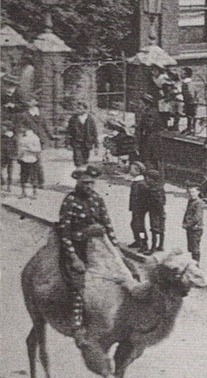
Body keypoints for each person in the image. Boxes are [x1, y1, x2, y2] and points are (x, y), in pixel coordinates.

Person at [57, 166, 122, 340]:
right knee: (79, 283)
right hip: (77, 247)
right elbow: (64, 231)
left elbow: (108, 225)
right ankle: (77, 324)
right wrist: (74, 257)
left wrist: (116, 249)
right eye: (85, 183)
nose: (89, 186)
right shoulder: (70, 201)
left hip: (98, 247)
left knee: (120, 274)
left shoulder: (97, 199)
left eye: (92, 183)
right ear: (78, 183)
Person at [66, 101, 99, 170]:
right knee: (77, 159)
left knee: (85, 159)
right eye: (77, 108)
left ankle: (84, 175)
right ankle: (78, 172)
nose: (78, 110)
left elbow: (94, 133)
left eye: (80, 108)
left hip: (87, 142)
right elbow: (68, 132)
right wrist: (68, 143)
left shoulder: (90, 119)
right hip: (76, 142)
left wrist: (96, 146)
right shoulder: (73, 119)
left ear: (85, 109)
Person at [127, 161, 150, 253]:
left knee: (140, 227)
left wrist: (142, 208)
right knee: (134, 224)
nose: (130, 170)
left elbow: (145, 197)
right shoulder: (136, 182)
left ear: (137, 171)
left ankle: (144, 243)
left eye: (131, 169)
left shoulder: (141, 184)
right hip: (136, 208)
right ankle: (138, 241)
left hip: (140, 209)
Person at [16, 124, 42, 199]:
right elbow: (19, 148)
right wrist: (19, 156)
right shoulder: (21, 137)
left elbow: (38, 149)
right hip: (23, 159)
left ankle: (34, 192)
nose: (21, 129)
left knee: (33, 176)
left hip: (32, 159)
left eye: (23, 127)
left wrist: (29, 148)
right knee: (23, 176)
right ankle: (23, 192)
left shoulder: (34, 137)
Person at [145, 168, 167, 253]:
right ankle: (161, 246)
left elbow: (159, 203)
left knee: (154, 229)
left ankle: (153, 248)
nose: (146, 180)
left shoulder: (153, 190)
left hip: (155, 212)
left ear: (152, 179)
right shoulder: (160, 188)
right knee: (162, 229)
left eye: (148, 178)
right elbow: (164, 200)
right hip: (161, 212)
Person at [182, 184, 205, 262]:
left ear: (198, 192)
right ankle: (193, 262)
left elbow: (197, 217)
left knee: (195, 248)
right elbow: (187, 212)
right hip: (190, 228)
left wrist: (188, 225)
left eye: (193, 192)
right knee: (191, 247)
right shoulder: (191, 201)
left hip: (196, 229)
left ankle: (196, 265)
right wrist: (184, 222)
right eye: (190, 192)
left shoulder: (199, 203)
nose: (191, 194)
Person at [180, 67, 200, 135]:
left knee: (191, 115)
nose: (180, 75)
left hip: (191, 102)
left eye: (182, 73)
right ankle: (190, 128)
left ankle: (191, 129)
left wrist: (190, 99)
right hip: (189, 101)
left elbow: (191, 92)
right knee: (189, 115)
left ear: (186, 74)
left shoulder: (187, 83)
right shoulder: (186, 83)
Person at [1, 124, 15, 192]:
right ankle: (2, 181)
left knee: (10, 172)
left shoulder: (14, 137)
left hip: (10, 156)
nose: (2, 127)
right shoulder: (2, 136)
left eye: (4, 126)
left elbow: (17, 146)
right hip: (3, 155)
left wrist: (15, 155)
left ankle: (9, 186)